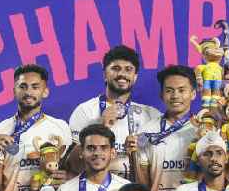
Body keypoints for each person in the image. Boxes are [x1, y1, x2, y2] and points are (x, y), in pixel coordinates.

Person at [68, 45, 160, 180]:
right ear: (105, 74)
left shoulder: (152, 115)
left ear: (135, 77)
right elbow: (74, 165)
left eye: (128, 69)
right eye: (115, 68)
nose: (122, 74)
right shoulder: (85, 111)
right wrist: (100, 126)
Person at [133, 65, 200, 191]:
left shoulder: (203, 130)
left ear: (193, 93)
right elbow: (142, 181)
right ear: (161, 95)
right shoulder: (147, 131)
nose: (175, 96)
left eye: (181, 90)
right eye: (169, 90)